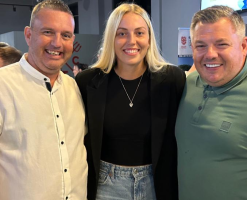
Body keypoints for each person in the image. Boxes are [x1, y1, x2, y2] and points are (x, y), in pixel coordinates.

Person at [75, 3, 186, 200]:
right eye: (122, 34)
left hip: (156, 183)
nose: (131, 41)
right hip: (106, 185)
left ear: (149, 38)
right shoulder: (88, 82)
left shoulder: (171, 79)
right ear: (111, 39)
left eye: (139, 33)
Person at [175, 5, 247, 200]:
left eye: (221, 44)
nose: (210, 54)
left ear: (244, 46)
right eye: (201, 45)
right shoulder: (186, 85)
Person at [0, 0, 87, 200]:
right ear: (29, 35)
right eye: (48, 32)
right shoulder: (3, 86)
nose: (57, 43)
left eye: (65, 35)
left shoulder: (75, 88)